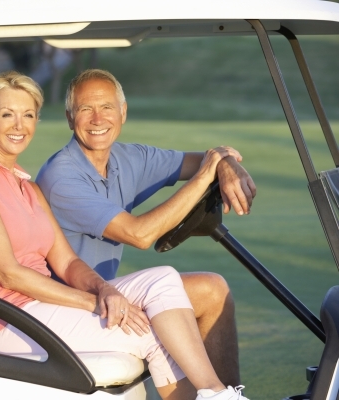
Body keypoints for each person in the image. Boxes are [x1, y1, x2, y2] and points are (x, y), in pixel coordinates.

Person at [0, 70, 250, 400]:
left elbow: (66, 261)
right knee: (148, 332)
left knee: (163, 279)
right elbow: (9, 274)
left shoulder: (28, 187)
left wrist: (105, 290)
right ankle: (218, 395)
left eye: (27, 115)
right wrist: (95, 301)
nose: (19, 125)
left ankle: (219, 394)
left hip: (39, 308)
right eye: (7, 115)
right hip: (6, 322)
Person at [36, 69, 257, 388]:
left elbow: (200, 160)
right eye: (85, 109)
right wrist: (205, 176)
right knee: (165, 306)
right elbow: (139, 234)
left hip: (107, 292)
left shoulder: (127, 158)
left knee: (213, 290)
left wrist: (226, 164)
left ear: (123, 112)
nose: (97, 119)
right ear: (70, 118)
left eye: (107, 107)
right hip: (70, 304)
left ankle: (230, 394)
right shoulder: (62, 177)